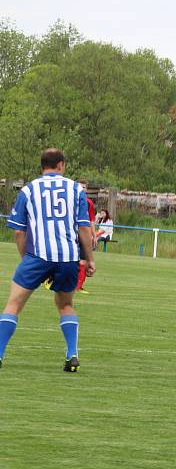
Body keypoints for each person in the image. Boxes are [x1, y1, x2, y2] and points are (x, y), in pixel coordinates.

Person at [0, 148, 95, 372]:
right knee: (65, 304)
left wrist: (26, 259)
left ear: (42, 166)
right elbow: (83, 228)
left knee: (13, 304)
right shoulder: (75, 190)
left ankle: (0, 353)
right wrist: (89, 258)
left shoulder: (28, 190)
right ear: (61, 165)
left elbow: (18, 232)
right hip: (68, 257)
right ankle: (72, 354)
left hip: (37, 256)